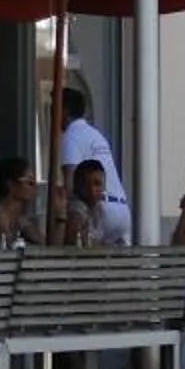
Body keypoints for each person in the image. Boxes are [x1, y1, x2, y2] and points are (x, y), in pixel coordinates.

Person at [56, 85, 122, 222]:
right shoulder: (94, 134)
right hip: (121, 208)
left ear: (64, 111)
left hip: (100, 210)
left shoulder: (72, 135)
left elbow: (70, 180)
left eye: (53, 109)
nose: (51, 115)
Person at [62, 157, 127, 247]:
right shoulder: (76, 209)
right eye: (96, 184)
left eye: (102, 185)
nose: (101, 190)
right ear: (81, 185)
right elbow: (79, 245)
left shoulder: (98, 209)